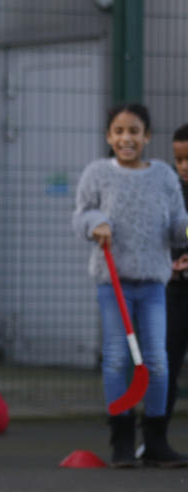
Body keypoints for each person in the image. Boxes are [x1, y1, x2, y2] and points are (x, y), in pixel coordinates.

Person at [73, 103, 188, 468]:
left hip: (154, 282)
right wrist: (95, 223)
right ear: (109, 137)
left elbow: (178, 224)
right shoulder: (96, 173)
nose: (127, 139)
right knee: (117, 358)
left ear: (147, 137)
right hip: (114, 283)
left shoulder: (164, 177)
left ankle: (154, 440)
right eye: (119, 132)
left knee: (156, 360)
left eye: (134, 131)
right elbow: (80, 215)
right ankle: (121, 440)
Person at [164, 123, 188, 426]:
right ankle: (155, 437)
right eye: (179, 160)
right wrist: (168, 263)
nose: (184, 166)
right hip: (174, 292)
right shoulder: (171, 191)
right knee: (166, 363)